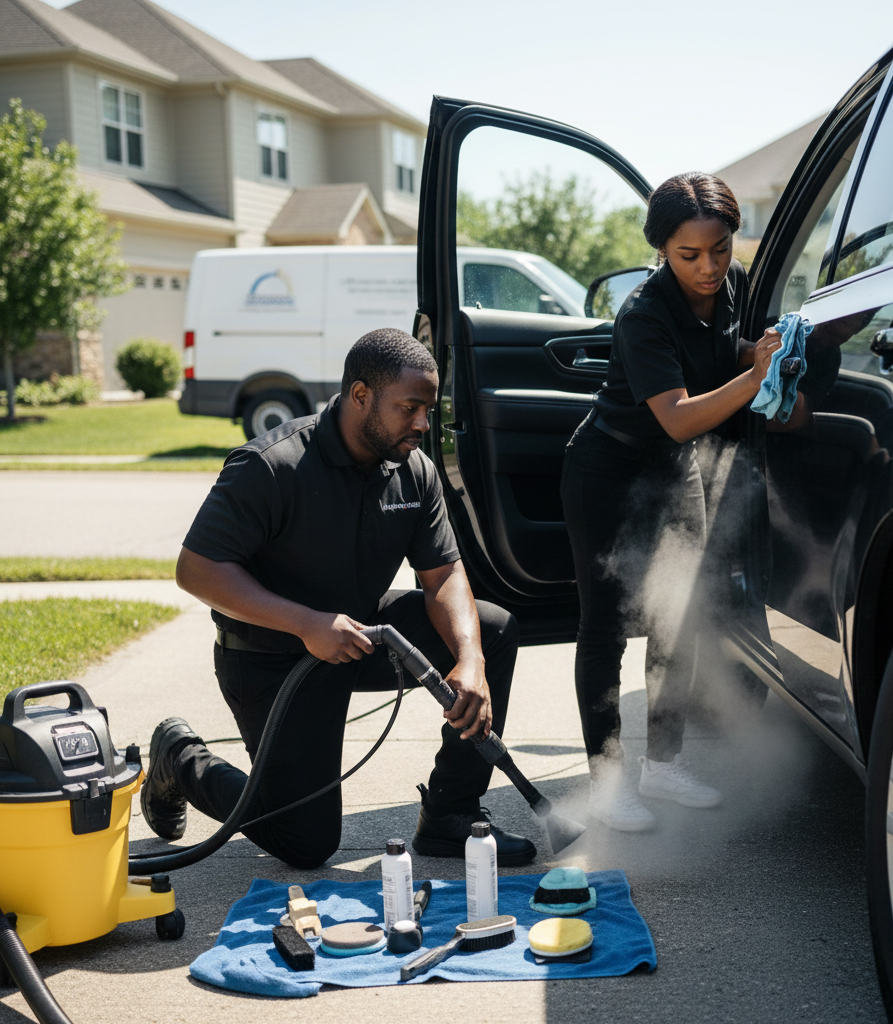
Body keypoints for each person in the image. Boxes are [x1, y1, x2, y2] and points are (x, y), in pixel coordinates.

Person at [141, 328, 535, 868]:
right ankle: (180, 757)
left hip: (361, 637)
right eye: (410, 408)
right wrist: (305, 623)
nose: (423, 424)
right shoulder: (272, 465)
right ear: (360, 396)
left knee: (492, 629)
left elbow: (443, 574)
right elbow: (196, 570)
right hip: (272, 659)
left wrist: (470, 660)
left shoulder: (414, 469)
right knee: (305, 842)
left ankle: (451, 816)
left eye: (428, 409)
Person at [561, 172, 782, 832]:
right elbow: (680, 418)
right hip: (607, 469)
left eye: (721, 249)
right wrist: (754, 377)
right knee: (605, 627)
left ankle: (663, 764)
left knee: (679, 616)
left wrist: (756, 351)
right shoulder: (642, 314)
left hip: (675, 471)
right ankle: (607, 782)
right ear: (661, 250)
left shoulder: (731, 283)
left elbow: (715, 349)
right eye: (689, 255)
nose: (709, 267)